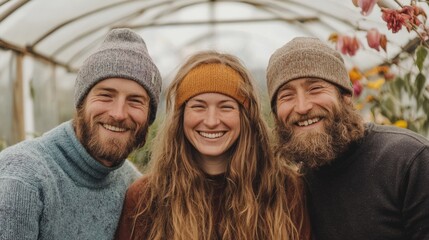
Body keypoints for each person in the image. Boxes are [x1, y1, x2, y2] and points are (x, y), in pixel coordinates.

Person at [115, 50, 310, 240]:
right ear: (181, 117)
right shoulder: (146, 198)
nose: (211, 121)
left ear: (245, 117)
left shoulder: (285, 190)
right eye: (198, 106)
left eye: (226, 107)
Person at [0, 28, 162, 240]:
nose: (118, 113)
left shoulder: (132, 186)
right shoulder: (23, 179)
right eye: (105, 95)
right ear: (81, 103)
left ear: (149, 117)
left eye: (135, 101)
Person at [266, 36, 429, 240]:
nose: (302, 107)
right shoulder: (297, 186)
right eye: (286, 96)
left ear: (345, 95)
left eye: (315, 89)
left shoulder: (408, 161)